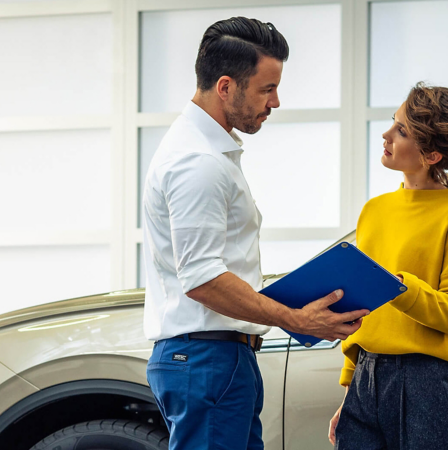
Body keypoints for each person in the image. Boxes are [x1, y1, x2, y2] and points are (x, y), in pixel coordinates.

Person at [142, 17, 369, 450]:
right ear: (225, 87)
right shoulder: (199, 162)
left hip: (221, 358)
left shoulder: (208, 152)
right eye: (267, 89)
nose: (276, 102)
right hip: (208, 358)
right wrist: (297, 320)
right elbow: (203, 279)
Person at [328, 82, 448, 450]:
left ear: (432, 156)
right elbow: (364, 311)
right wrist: (350, 389)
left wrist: (399, 286)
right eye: (392, 123)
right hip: (367, 376)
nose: (386, 134)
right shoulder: (374, 211)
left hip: (432, 386)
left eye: (402, 130)